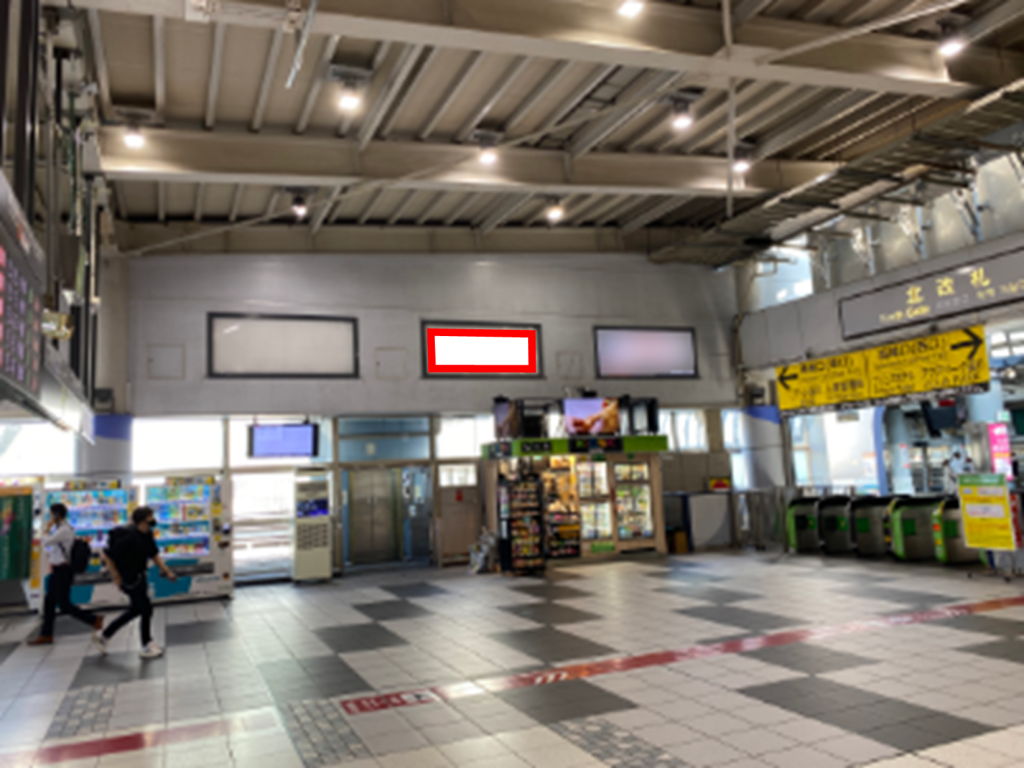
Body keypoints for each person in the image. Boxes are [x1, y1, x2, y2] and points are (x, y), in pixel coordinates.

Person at [96, 506, 177, 659]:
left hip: (140, 575)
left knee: (135, 610)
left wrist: (166, 571)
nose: (153, 520)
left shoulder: (147, 534)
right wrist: (116, 576)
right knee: (146, 609)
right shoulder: (129, 537)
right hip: (128, 578)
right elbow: (108, 557)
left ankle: (105, 635)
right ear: (142, 521)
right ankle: (146, 644)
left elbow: (154, 554)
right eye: (150, 517)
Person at [28, 504, 103, 646]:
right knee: (49, 602)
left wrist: (47, 529)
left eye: (51, 514)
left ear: (57, 515)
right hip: (57, 570)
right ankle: (46, 634)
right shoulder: (61, 528)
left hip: (63, 571)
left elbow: (46, 542)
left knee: (64, 604)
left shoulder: (64, 530)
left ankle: (93, 619)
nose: (50, 517)